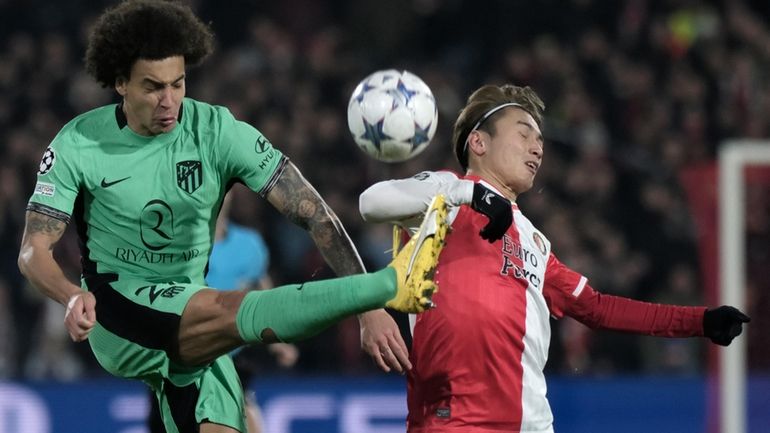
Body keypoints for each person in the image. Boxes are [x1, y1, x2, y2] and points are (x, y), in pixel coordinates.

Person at [16, 1, 449, 432]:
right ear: (120, 83)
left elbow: (313, 213)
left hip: (193, 318)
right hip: (118, 309)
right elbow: (33, 251)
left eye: (178, 84)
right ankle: (390, 282)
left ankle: (372, 292)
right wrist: (70, 295)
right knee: (229, 308)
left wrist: (369, 313)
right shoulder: (79, 143)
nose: (170, 102)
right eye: (152, 87)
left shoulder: (217, 132)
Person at [358, 83, 751, 433]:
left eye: (540, 140)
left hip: (532, 423)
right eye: (524, 133)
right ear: (479, 143)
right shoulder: (445, 195)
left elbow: (598, 309)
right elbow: (371, 202)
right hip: (452, 420)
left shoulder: (535, 242)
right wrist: (471, 195)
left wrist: (698, 321)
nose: (538, 147)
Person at [146, 192, 298, 433]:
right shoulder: (171, 243)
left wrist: (277, 338)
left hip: (229, 356)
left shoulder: (250, 246)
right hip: (178, 360)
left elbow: (260, 286)